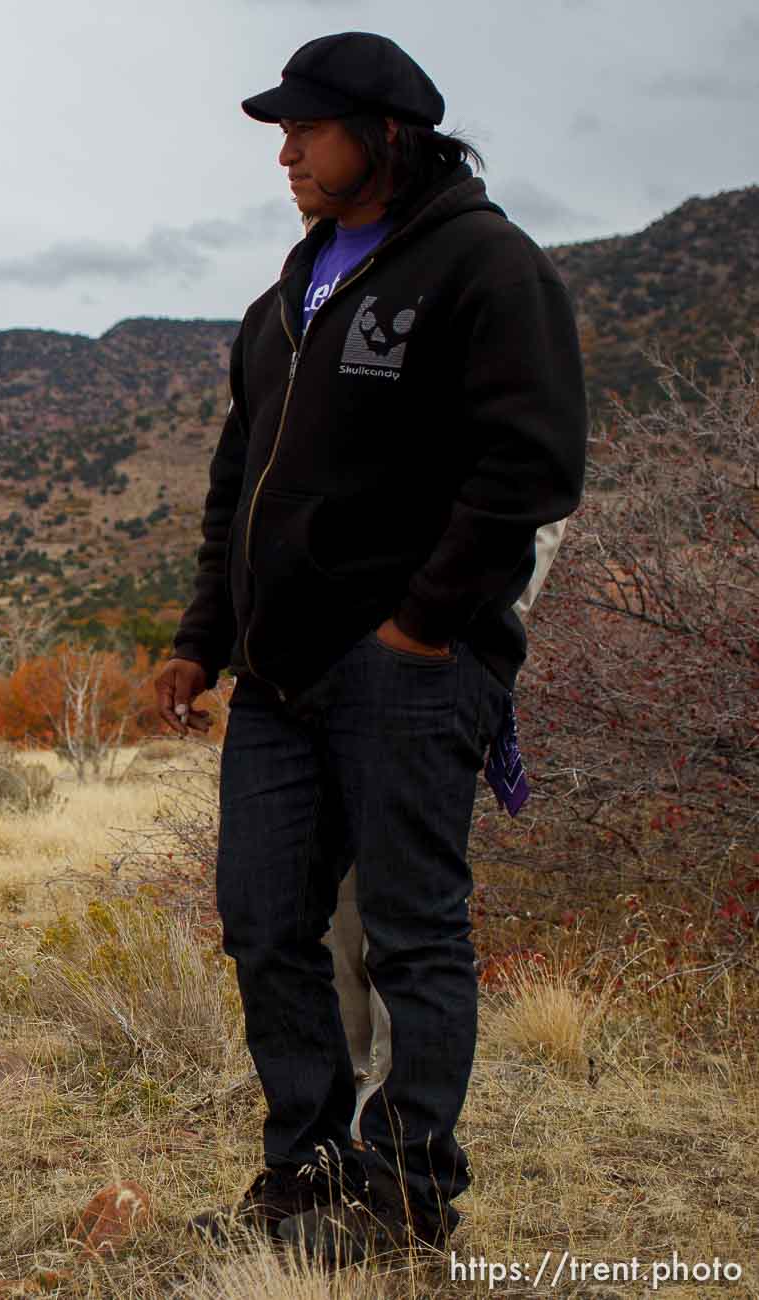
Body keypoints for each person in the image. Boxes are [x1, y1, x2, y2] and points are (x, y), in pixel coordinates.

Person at [153, 32, 587, 1263]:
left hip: (408, 672)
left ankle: (404, 1199)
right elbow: (239, 482)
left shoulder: (484, 267)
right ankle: (305, 1170)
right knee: (262, 920)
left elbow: (533, 465)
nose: (285, 152)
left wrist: (420, 624)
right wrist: (202, 640)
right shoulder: (287, 297)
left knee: (411, 934)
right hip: (279, 679)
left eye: (309, 130)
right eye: (283, 133)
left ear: (385, 136)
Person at [330, 518, 565, 1137]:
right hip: (322, 656)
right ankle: (349, 1097)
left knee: (405, 907)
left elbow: (536, 498)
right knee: (333, 902)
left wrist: (441, 622)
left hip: (429, 658)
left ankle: (392, 1124)